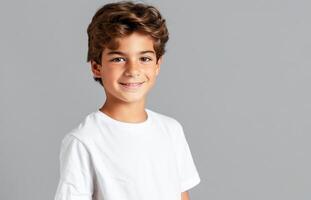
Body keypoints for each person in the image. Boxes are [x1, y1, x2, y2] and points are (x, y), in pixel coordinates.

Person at [54, 1, 201, 200]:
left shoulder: (171, 130)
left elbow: (181, 195)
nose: (133, 70)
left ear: (157, 65)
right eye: (118, 59)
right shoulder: (84, 141)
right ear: (97, 67)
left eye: (145, 59)